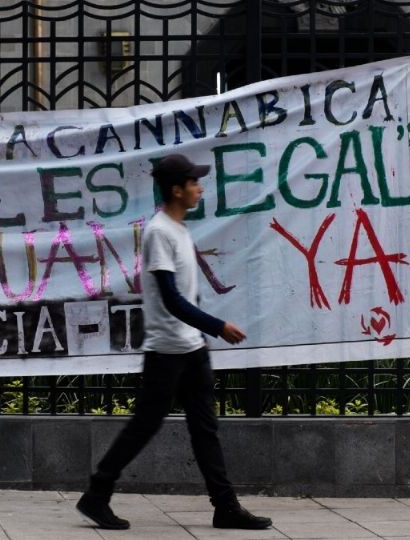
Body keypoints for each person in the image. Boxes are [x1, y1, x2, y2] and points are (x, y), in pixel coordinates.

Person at [75, 153, 273, 531]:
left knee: (205, 428)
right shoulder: (159, 232)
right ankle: (97, 494)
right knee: (144, 426)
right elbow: (171, 299)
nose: (200, 188)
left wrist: (202, 333)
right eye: (194, 183)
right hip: (166, 352)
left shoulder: (179, 230)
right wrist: (217, 326)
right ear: (176, 190)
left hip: (191, 348)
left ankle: (225, 506)